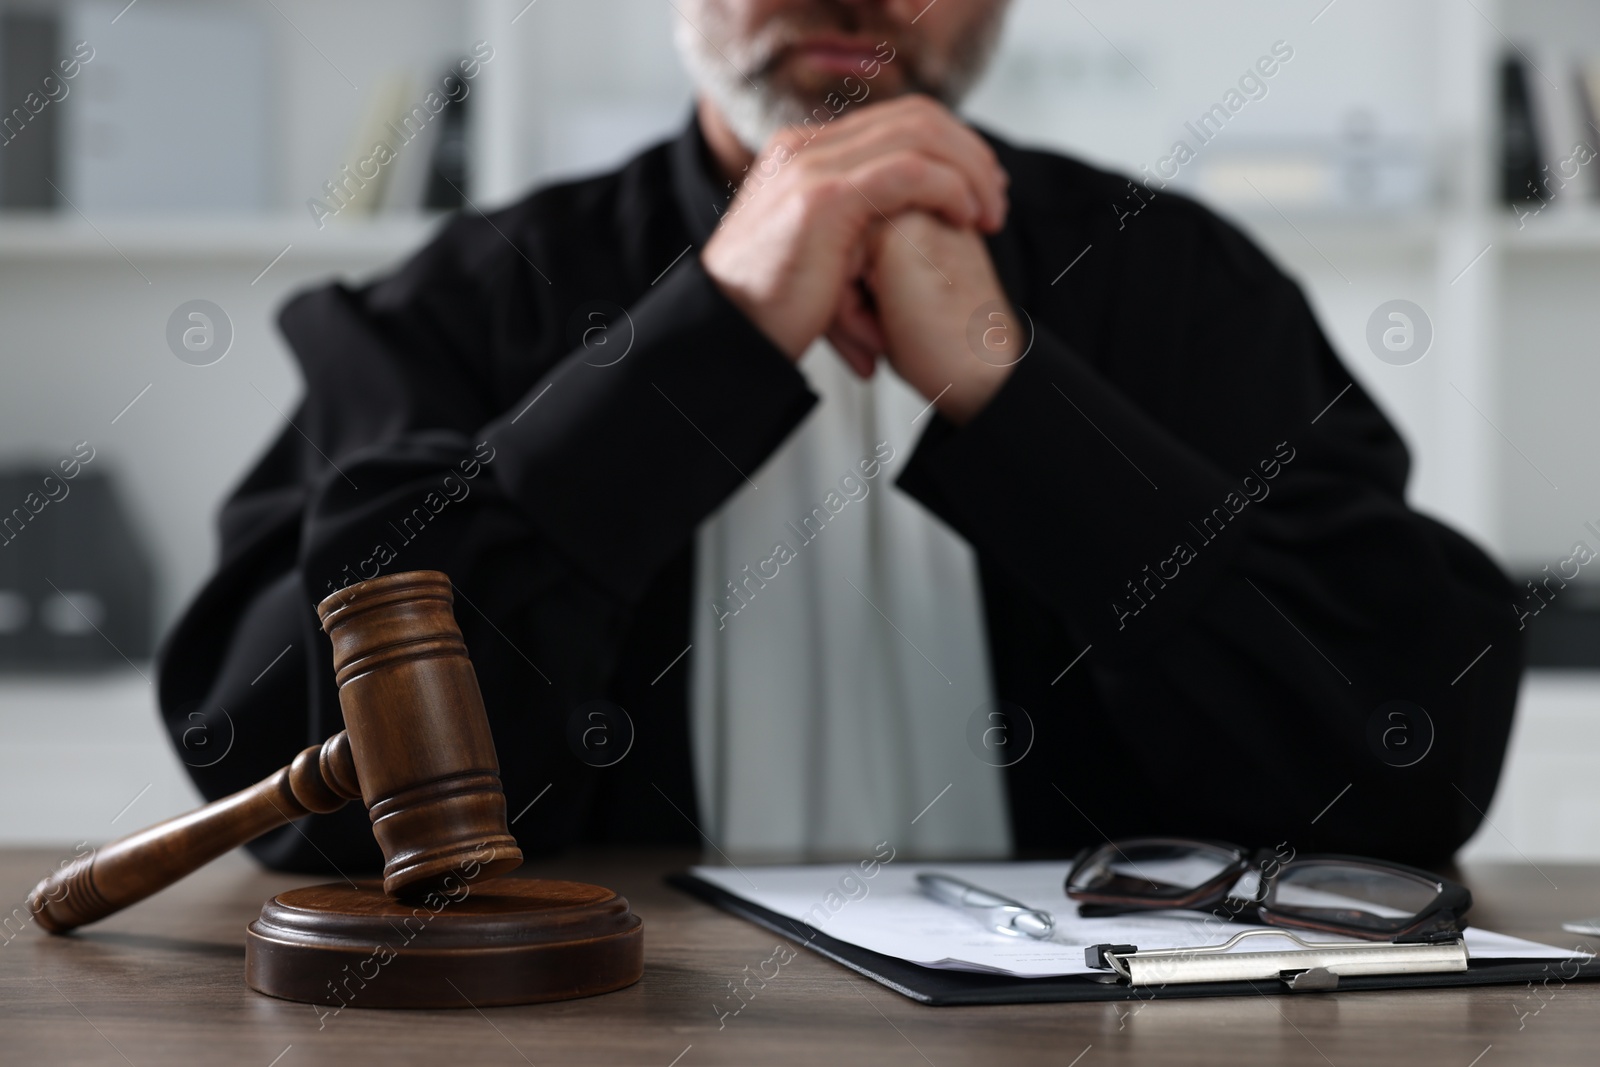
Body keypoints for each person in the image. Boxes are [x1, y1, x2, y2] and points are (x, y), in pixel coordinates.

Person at [158, 0, 1519, 874]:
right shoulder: (462, 299)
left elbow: (1412, 765)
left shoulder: (1185, 287)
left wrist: (1011, 392)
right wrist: (705, 340)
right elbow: (281, 780)